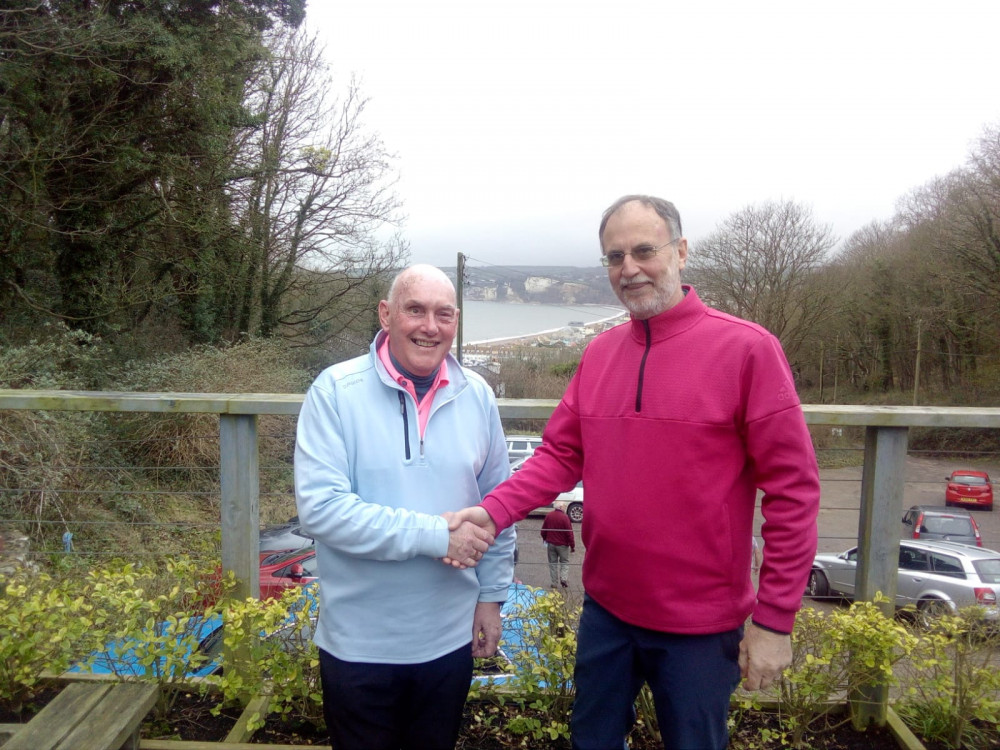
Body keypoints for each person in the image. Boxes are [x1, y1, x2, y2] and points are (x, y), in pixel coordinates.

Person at [446, 195, 820, 750]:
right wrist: (492, 511)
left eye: (645, 250)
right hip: (608, 612)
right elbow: (558, 456)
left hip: (700, 626)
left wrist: (775, 620)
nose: (630, 268)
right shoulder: (599, 354)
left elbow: (794, 492)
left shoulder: (747, 350)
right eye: (614, 256)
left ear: (681, 251)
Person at [294, 264, 516, 750]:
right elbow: (321, 509)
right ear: (386, 314)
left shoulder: (476, 396)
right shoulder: (334, 392)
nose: (429, 327)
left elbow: (499, 506)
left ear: (456, 322)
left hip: (448, 642)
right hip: (357, 647)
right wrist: (437, 535)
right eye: (415, 310)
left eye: (443, 314)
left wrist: (492, 597)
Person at [540, 500, 575, 588]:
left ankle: (554, 583)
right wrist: (572, 546)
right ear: (560, 507)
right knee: (564, 562)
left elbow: (543, 530)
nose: (565, 508)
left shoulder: (549, 516)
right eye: (564, 506)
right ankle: (563, 579)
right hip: (563, 545)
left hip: (551, 544)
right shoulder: (565, 517)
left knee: (552, 564)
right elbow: (569, 533)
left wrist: (545, 539)